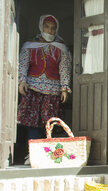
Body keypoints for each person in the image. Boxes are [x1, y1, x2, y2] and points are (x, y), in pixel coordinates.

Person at [17, 15, 72, 163]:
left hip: (53, 90)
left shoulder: (61, 47)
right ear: (41, 27)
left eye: (53, 28)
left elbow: (64, 68)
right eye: (47, 27)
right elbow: (23, 64)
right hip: (32, 88)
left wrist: (64, 88)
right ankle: (32, 154)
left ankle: (50, 155)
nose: (50, 30)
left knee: (50, 123)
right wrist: (21, 81)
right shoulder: (30, 44)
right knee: (32, 122)